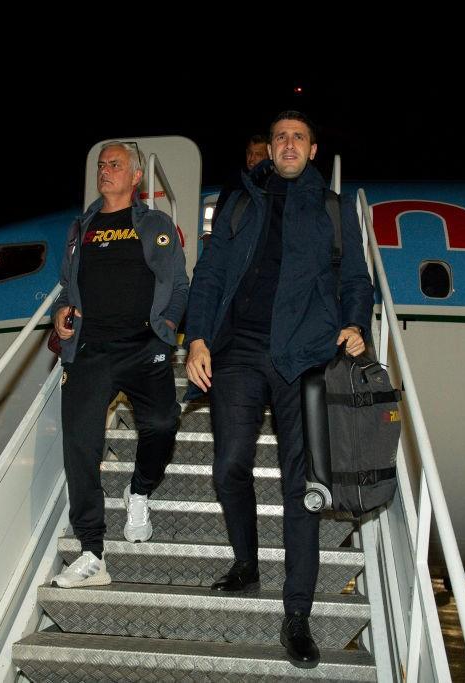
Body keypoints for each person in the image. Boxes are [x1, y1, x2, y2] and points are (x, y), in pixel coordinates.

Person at [184, 112, 373, 668]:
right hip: (238, 348)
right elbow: (211, 273)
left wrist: (356, 324)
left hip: (306, 356)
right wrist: (197, 339)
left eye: (298, 138)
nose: (288, 145)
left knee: (302, 487)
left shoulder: (334, 209)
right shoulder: (240, 199)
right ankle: (246, 563)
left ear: (313, 150)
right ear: (269, 148)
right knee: (227, 467)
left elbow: (355, 280)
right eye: (280, 137)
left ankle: (297, 616)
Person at [51, 141, 189, 588]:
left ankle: (140, 490)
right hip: (90, 351)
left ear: (135, 177)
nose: (105, 170)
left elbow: (180, 284)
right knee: (80, 446)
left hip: (142, 346)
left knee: (164, 424)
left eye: (115, 165)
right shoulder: (80, 228)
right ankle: (92, 551)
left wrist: (166, 326)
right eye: (101, 164)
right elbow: (68, 287)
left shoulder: (155, 224)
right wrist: (62, 310)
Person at [207, 134, 270, 233]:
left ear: (269, 155)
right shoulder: (235, 181)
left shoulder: (275, 184)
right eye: (249, 153)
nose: (251, 159)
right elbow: (219, 217)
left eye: (258, 154)